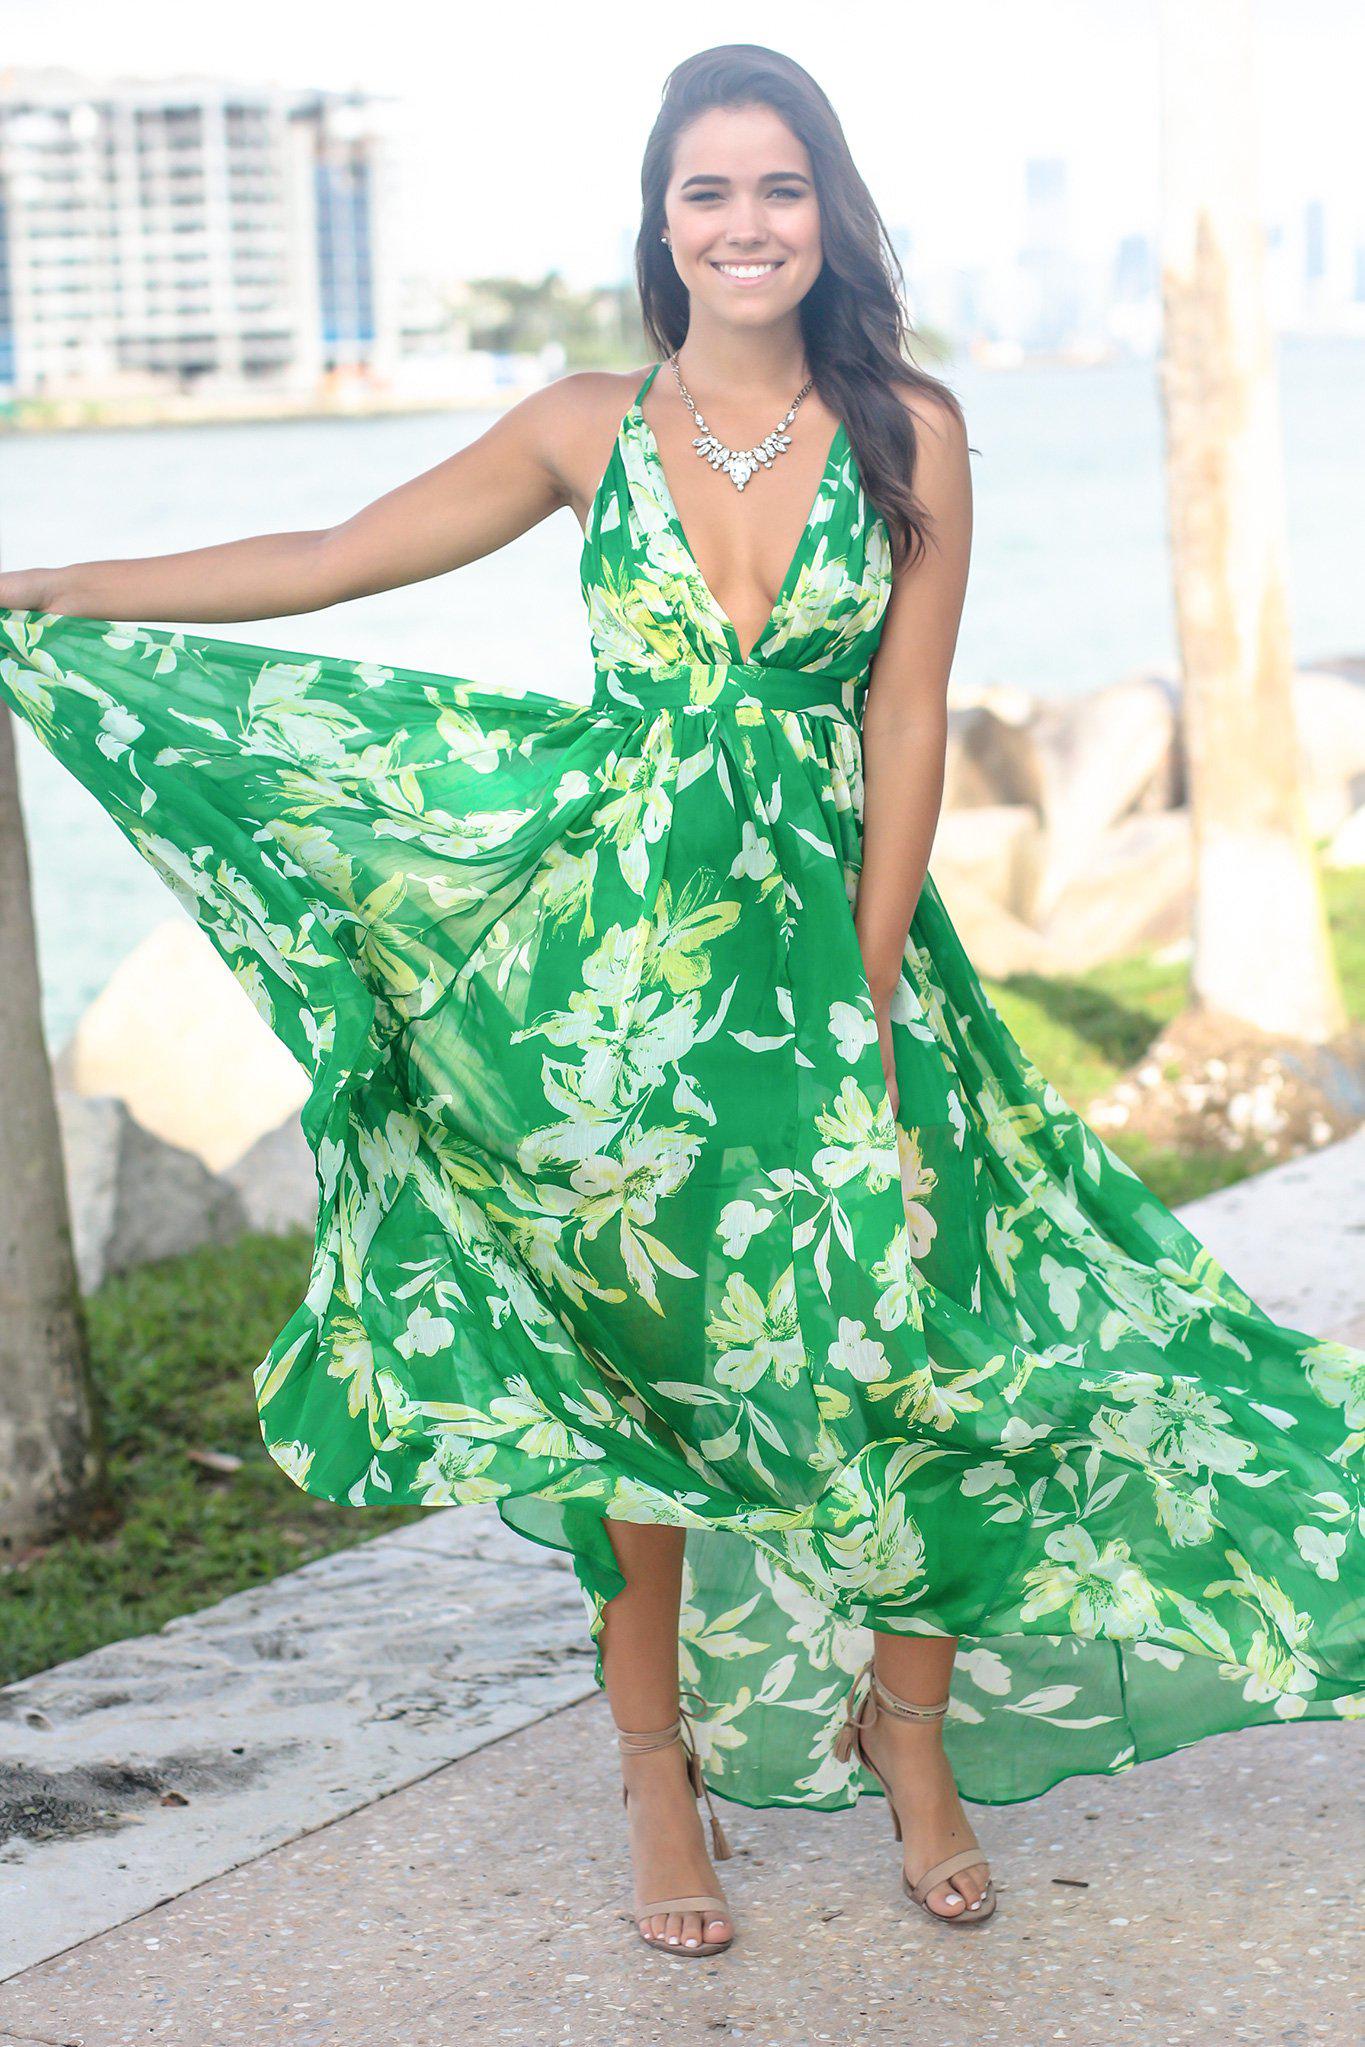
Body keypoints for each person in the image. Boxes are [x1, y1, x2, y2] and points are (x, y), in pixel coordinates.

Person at [2, 42, 1362, 1966]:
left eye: (780, 187)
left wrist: (869, 992)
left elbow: (901, 714)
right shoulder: (584, 427)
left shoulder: (913, 427)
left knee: (926, 1339)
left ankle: (908, 1733)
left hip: (840, 967)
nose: (746, 223)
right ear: (662, 221)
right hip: (611, 987)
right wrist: (44, 581)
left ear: (831, 215)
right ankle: (658, 1766)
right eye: (708, 191)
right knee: (631, 1369)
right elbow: (324, 562)